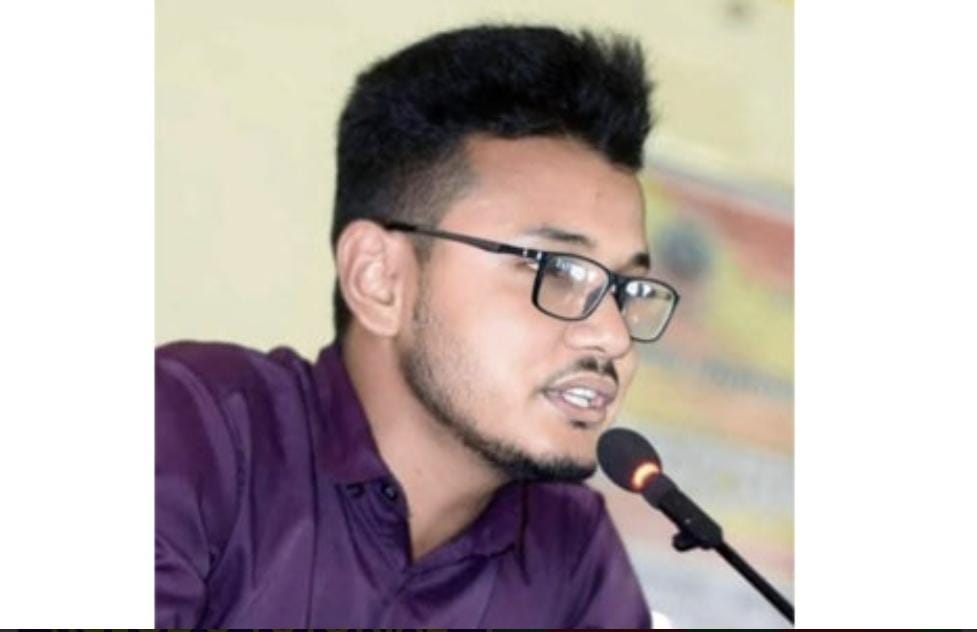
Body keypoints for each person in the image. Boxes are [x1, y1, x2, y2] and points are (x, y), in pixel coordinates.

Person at [156, 23, 679, 628]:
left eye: (627, 288)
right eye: (557, 268)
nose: (613, 336)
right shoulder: (194, 430)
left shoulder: (568, 551)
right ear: (379, 278)